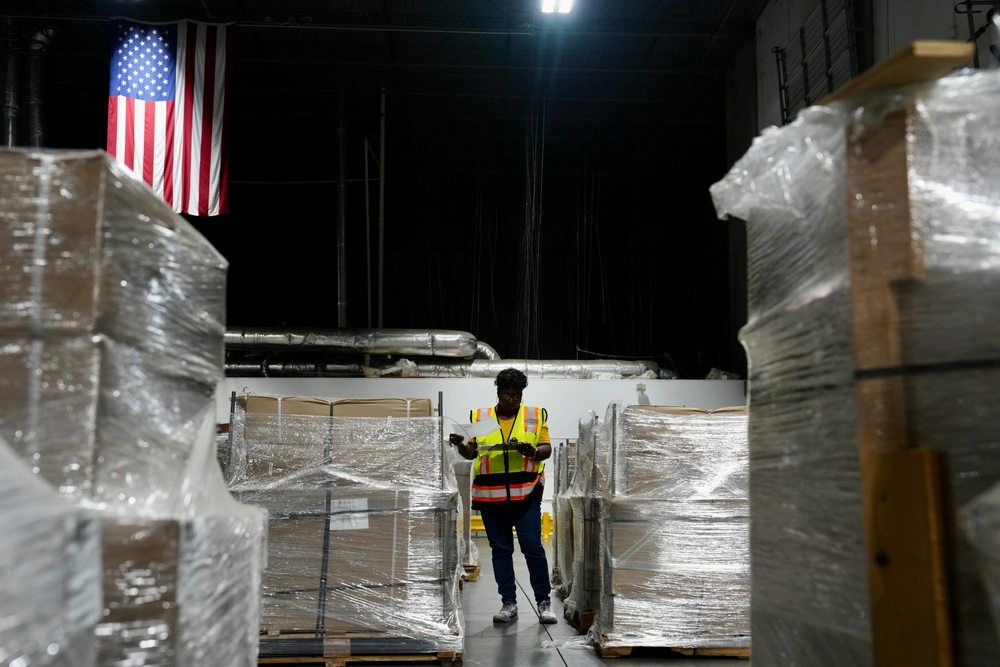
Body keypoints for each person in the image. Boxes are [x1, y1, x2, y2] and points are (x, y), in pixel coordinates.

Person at [449, 368, 557, 624]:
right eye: (508, 395)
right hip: (491, 497)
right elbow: (471, 453)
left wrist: (531, 451)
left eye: (517, 395)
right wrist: (460, 443)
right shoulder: (480, 416)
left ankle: (544, 603)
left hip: (526, 494)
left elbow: (546, 449)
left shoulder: (535, 415)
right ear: (499, 394)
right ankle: (508, 604)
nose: (512, 400)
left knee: (533, 548)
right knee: (501, 551)